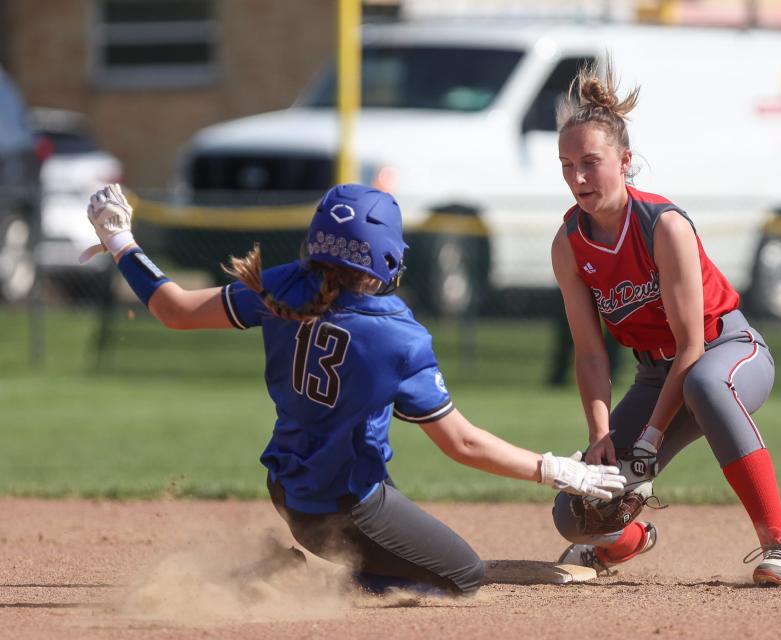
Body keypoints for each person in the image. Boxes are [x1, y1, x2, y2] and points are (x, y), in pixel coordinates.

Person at [81, 183, 626, 597]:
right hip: (343, 512)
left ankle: (316, 562)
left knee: (376, 483)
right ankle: (302, 581)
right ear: (388, 258)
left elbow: (172, 310)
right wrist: (560, 470)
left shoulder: (282, 284)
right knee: (461, 577)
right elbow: (462, 444)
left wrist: (119, 239)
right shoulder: (397, 336)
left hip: (287, 490)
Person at [548, 61, 781, 586]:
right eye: (567, 164)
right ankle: (621, 545)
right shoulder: (569, 244)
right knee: (572, 510)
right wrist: (601, 435)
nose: (578, 177)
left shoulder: (662, 226)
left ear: (625, 162)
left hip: (725, 351)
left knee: (706, 383)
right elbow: (592, 353)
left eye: (591, 162)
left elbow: (691, 346)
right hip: (654, 377)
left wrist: (647, 445)